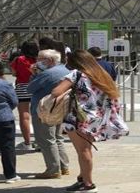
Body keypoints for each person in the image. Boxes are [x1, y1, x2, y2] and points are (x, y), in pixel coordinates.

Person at [50, 50, 128, 192]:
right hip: (96, 116)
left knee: (83, 151)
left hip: (78, 117)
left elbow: (56, 92)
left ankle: (88, 184)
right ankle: (82, 178)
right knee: (86, 150)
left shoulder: (76, 74)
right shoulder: (101, 74)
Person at [27, 49, 71, 179]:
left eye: (40, 59)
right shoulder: (65, 70)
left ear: (50, 60)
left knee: (46, 139)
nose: (37, 62)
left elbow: (30, 88)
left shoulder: (46, 74)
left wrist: (34, 74)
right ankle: (64, 166)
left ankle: (53, 169)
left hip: (44, 110)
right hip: (60, 108)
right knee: (58, 138)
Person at [10, 41, 37, 151]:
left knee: (24, 116)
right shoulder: (39, 59)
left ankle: (27, 142)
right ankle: (40, 141)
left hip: (22, 87)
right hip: (37, 87)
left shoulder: (19, 59)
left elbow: (14, 73)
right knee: (39, 116)